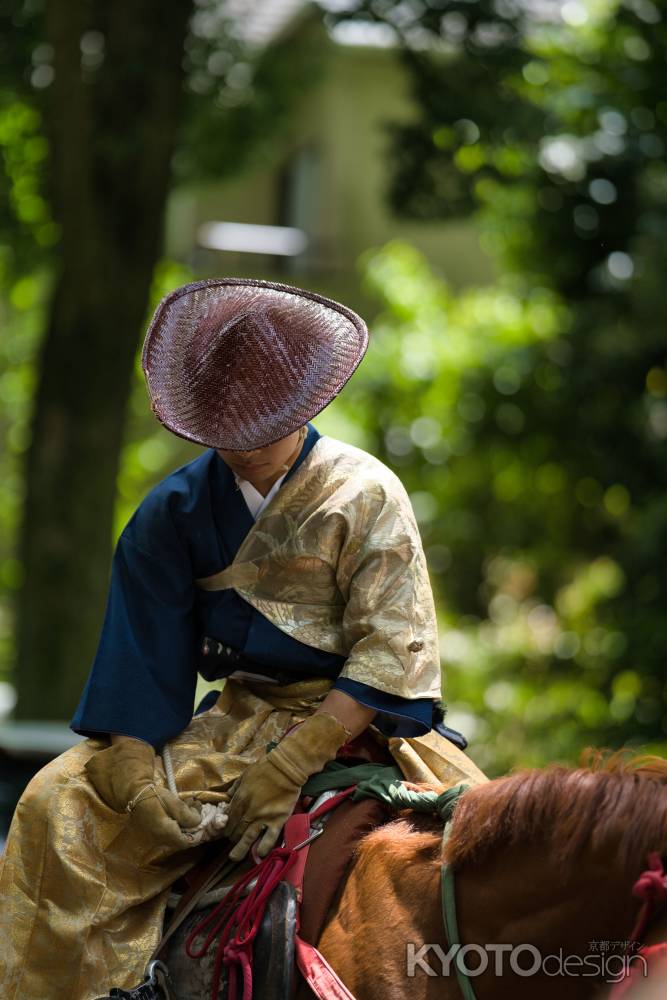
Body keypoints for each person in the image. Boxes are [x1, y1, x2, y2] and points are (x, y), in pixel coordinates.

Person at [0, 278, 486, 999]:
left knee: (489, 854)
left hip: (354, 720)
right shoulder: (171, 513)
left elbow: (394, 647)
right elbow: (140, 669)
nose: (242, 444)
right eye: (223, 426)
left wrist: (290, 766)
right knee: (54, 802)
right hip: (235, 718)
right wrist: (136, 786)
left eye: (263, 422)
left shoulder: (365, 492)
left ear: (306, 403)